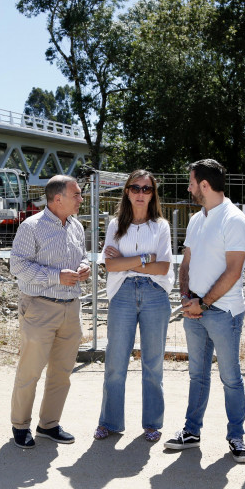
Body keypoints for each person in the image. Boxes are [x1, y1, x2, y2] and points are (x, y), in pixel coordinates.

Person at [164, 159, 245, 464]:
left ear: (204, 185)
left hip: (223, 313)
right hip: (195, 310)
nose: (188, 188)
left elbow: (233, 272)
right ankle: (191, 432)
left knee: (230, 378)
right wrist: (187, 298)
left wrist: (202, 304)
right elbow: (186, 262)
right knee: (197, 376)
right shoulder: (197, 219)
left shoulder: (234, 219)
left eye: (191, 183)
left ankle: (236, 437)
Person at [9, 175, 90, 449]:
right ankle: (20, 425)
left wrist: (84, 267)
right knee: (30, 371)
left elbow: (83, 256)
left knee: (62, 372)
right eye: (76, 194)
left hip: (71, 308)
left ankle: (49, 424)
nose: (81, 199)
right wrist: (57, 277)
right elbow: (17, 266)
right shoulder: (31, 227)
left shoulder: (76, 226)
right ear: (58, 199)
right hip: (40, 307)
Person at [94, 170, 173, 443]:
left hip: (155, 294)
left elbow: (163, 267)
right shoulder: (116, 225)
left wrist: (127, 260)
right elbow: (110, 265)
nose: (141, 193)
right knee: (115, 361)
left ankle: (152, 423)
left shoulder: (161, 226)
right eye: (135, 188)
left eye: (147, 189)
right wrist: (143, 257)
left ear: (153, 194)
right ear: (127, 191)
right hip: (122, 294)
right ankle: (110, 422)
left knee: (153, 363)